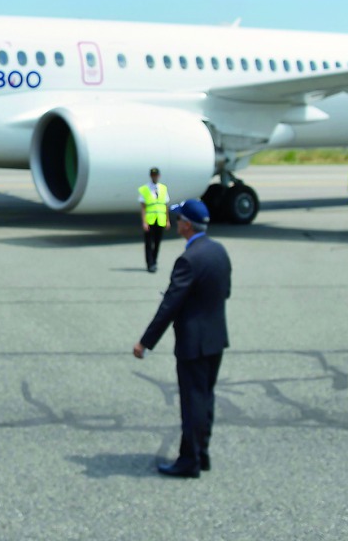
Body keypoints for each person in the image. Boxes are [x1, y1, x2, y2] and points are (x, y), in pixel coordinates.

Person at [133, 199, 231, 478]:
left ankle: (189, 460)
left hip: (193, 342)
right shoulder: (218, 251)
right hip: (215, 337)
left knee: (192, 403)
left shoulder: (188, 259)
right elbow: (225, 291)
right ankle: (203, 453)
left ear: (187, 225)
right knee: (206, 398)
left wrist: (145, 342)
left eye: (179, 220)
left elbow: (170, 307)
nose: (176, 223)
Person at [139, 167, 169, 272]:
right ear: (150, 176)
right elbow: (143, 207)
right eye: (153, 175)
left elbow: (165, 205)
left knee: (157, 242)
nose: (154, 177)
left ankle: (154, 261)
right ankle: (150, 263)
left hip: (160, 219)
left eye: (156, 175)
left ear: (159, 176)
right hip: (150, 220)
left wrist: (167, 220)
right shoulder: (145, 189)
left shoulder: (163, 188)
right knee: (148, 243)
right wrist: (144, 222)